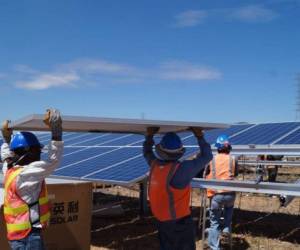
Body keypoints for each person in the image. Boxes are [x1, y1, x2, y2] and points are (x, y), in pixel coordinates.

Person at [1, 109, 64, 250]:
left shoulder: (10, 171)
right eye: (37, 151)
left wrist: (5, 137)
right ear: (28, 152)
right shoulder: (27, 174)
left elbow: (6, 157)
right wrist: (56, 129)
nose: (39, 155)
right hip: (29, 238)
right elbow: (53, 161)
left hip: (17, 237)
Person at [143, 127, 213, 250]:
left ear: (161, 150)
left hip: (161, 220)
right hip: (179, 223)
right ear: (179, 151)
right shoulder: (182, 169)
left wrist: (149, 136)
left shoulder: (154, 164)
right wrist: (199, 136)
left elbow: (147, 152)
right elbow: (207, 156)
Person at [205, 134, 238, 250]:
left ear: (218, 147)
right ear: (228, 147)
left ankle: (215, 247)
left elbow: (206, 174)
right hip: (230, 194)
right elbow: (235, 174)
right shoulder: (233, 159)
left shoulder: (211, 159)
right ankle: (226, 228)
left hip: (216, 195)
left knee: (214, 223)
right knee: (229, 208)